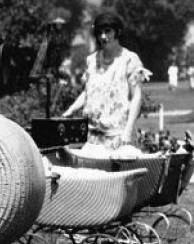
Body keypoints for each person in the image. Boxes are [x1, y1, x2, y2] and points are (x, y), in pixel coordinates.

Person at [61, 11, 149, 150]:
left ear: (117, 32)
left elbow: (136, 96)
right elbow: (87, 92)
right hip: (92, 138)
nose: (103, 36)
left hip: (118, 137)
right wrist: (70, 110)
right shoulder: (92, 60)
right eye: (99, 32)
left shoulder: (130, 60)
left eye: (108, 31)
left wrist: (128, 129)